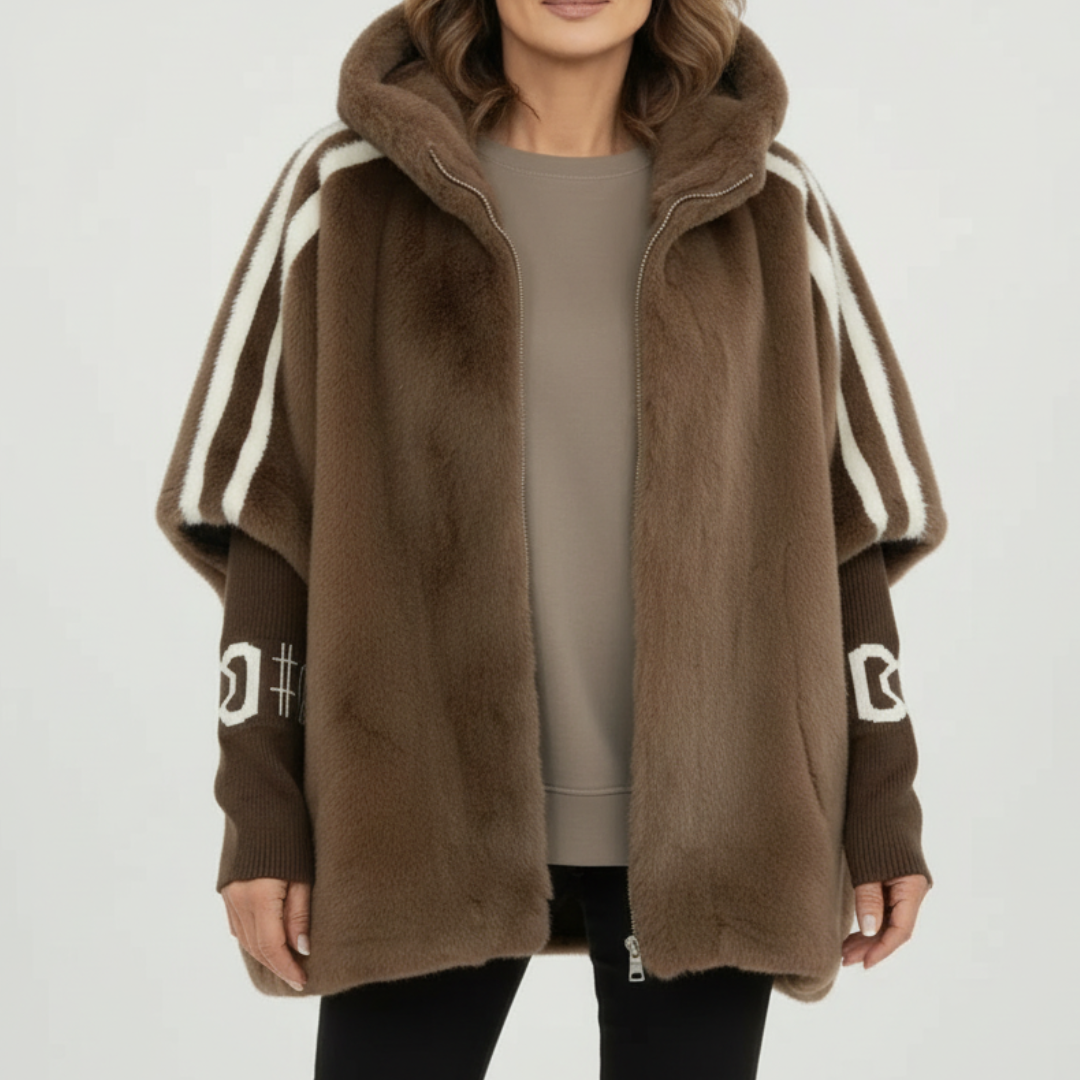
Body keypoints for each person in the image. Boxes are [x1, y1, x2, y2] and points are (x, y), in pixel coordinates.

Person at [155, 0, 948, 1076]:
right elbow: (266, 518)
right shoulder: (349, 190)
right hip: (416, 814)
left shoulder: (767, 199)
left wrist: (884, 800)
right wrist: (261, 811)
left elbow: (847, 527)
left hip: (716, 826)